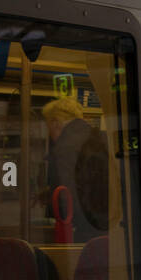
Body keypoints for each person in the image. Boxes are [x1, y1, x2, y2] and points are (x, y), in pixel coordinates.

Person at [43, 97, 108, 243]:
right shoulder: (102, 138)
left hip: (86, 230)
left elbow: (68, 194)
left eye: (49, 129)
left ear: (55, 123)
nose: (50, 135)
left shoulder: (64, 147)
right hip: (108, 227)